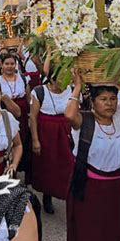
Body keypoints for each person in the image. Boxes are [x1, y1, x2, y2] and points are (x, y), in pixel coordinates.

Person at [65, 69, 120, 241]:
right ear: (93, 102)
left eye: (113, 99)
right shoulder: (85, 121)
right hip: (91, 191)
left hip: (117, 190)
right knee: (92, 235)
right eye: (103, 99)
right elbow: (69, 115)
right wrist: (78, 87)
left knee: (116, 233)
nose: (109, 104)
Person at [29, 69, 74, 214]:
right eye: (60, 78)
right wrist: (35, 140)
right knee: (48, 164)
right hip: (46, 132)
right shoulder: (39, 92)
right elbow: (33, 117)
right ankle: (47, 196)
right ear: (51, 79)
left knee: (67, 163)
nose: (63, 82)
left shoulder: (71, 90)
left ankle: (69, 195)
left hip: (66, 131)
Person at [0, 53, 31, 174]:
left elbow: (28, 97)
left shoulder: (22, 78)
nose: (10, 66)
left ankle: (20, 165)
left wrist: (30, 114)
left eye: (12, 64)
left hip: (22, 113)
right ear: (1, 65)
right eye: (7, 64)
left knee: (21, 139)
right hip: (6, 113)